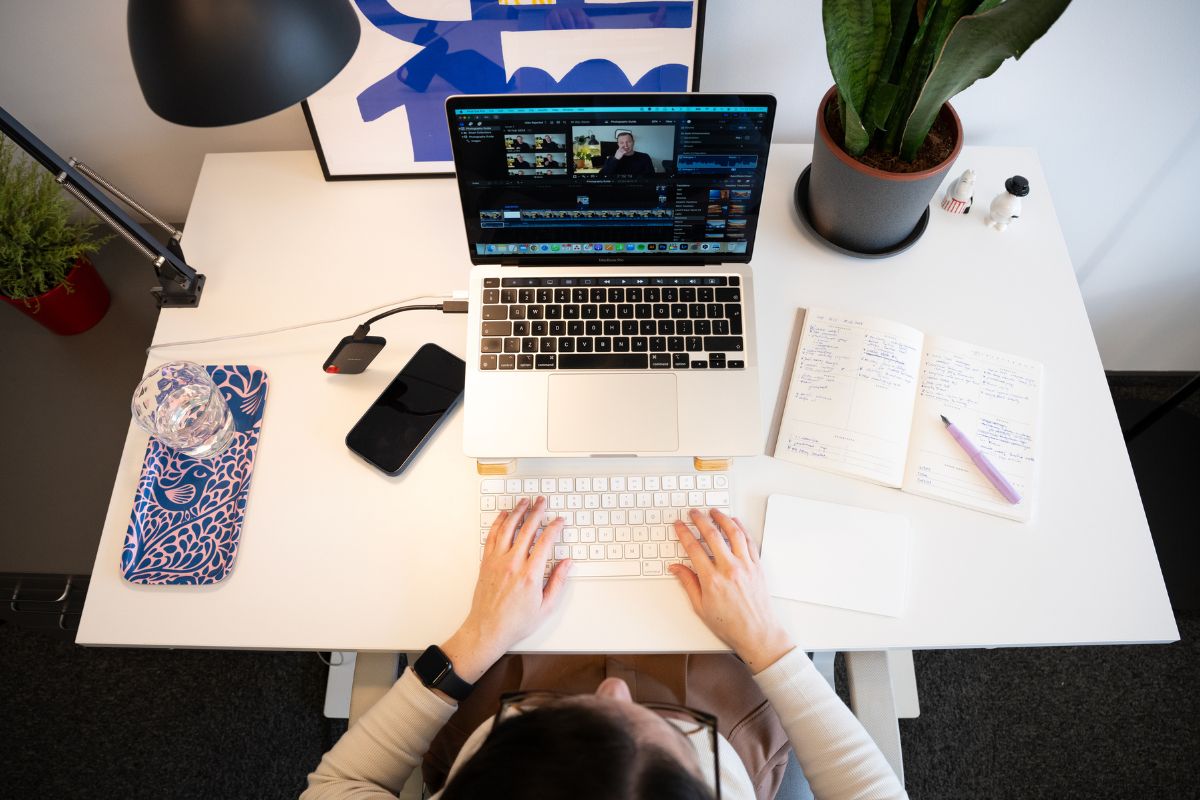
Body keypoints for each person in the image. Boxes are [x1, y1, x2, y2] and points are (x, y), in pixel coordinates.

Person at [303, 498, 908, 800]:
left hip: (489, 695)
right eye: (672, 738)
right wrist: (766, 642)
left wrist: (477, 638)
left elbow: (341, 782)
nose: (613, 688)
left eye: (576, 710)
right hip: (733, 718)